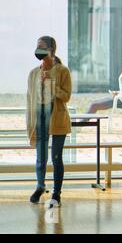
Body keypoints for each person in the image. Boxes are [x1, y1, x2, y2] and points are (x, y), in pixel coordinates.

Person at [27, 36, 72, 207]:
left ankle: (56, 194)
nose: (38, 49)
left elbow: (67, 96)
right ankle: (40, 186)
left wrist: (51, 84)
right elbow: (30, 100)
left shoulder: (63, 71)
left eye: (42, 46)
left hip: (58, 120)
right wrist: (30, 123)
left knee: (56, 157)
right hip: (40, 119)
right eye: (37, 45)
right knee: (40, 158)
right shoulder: (33, 73)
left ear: (51, 49)